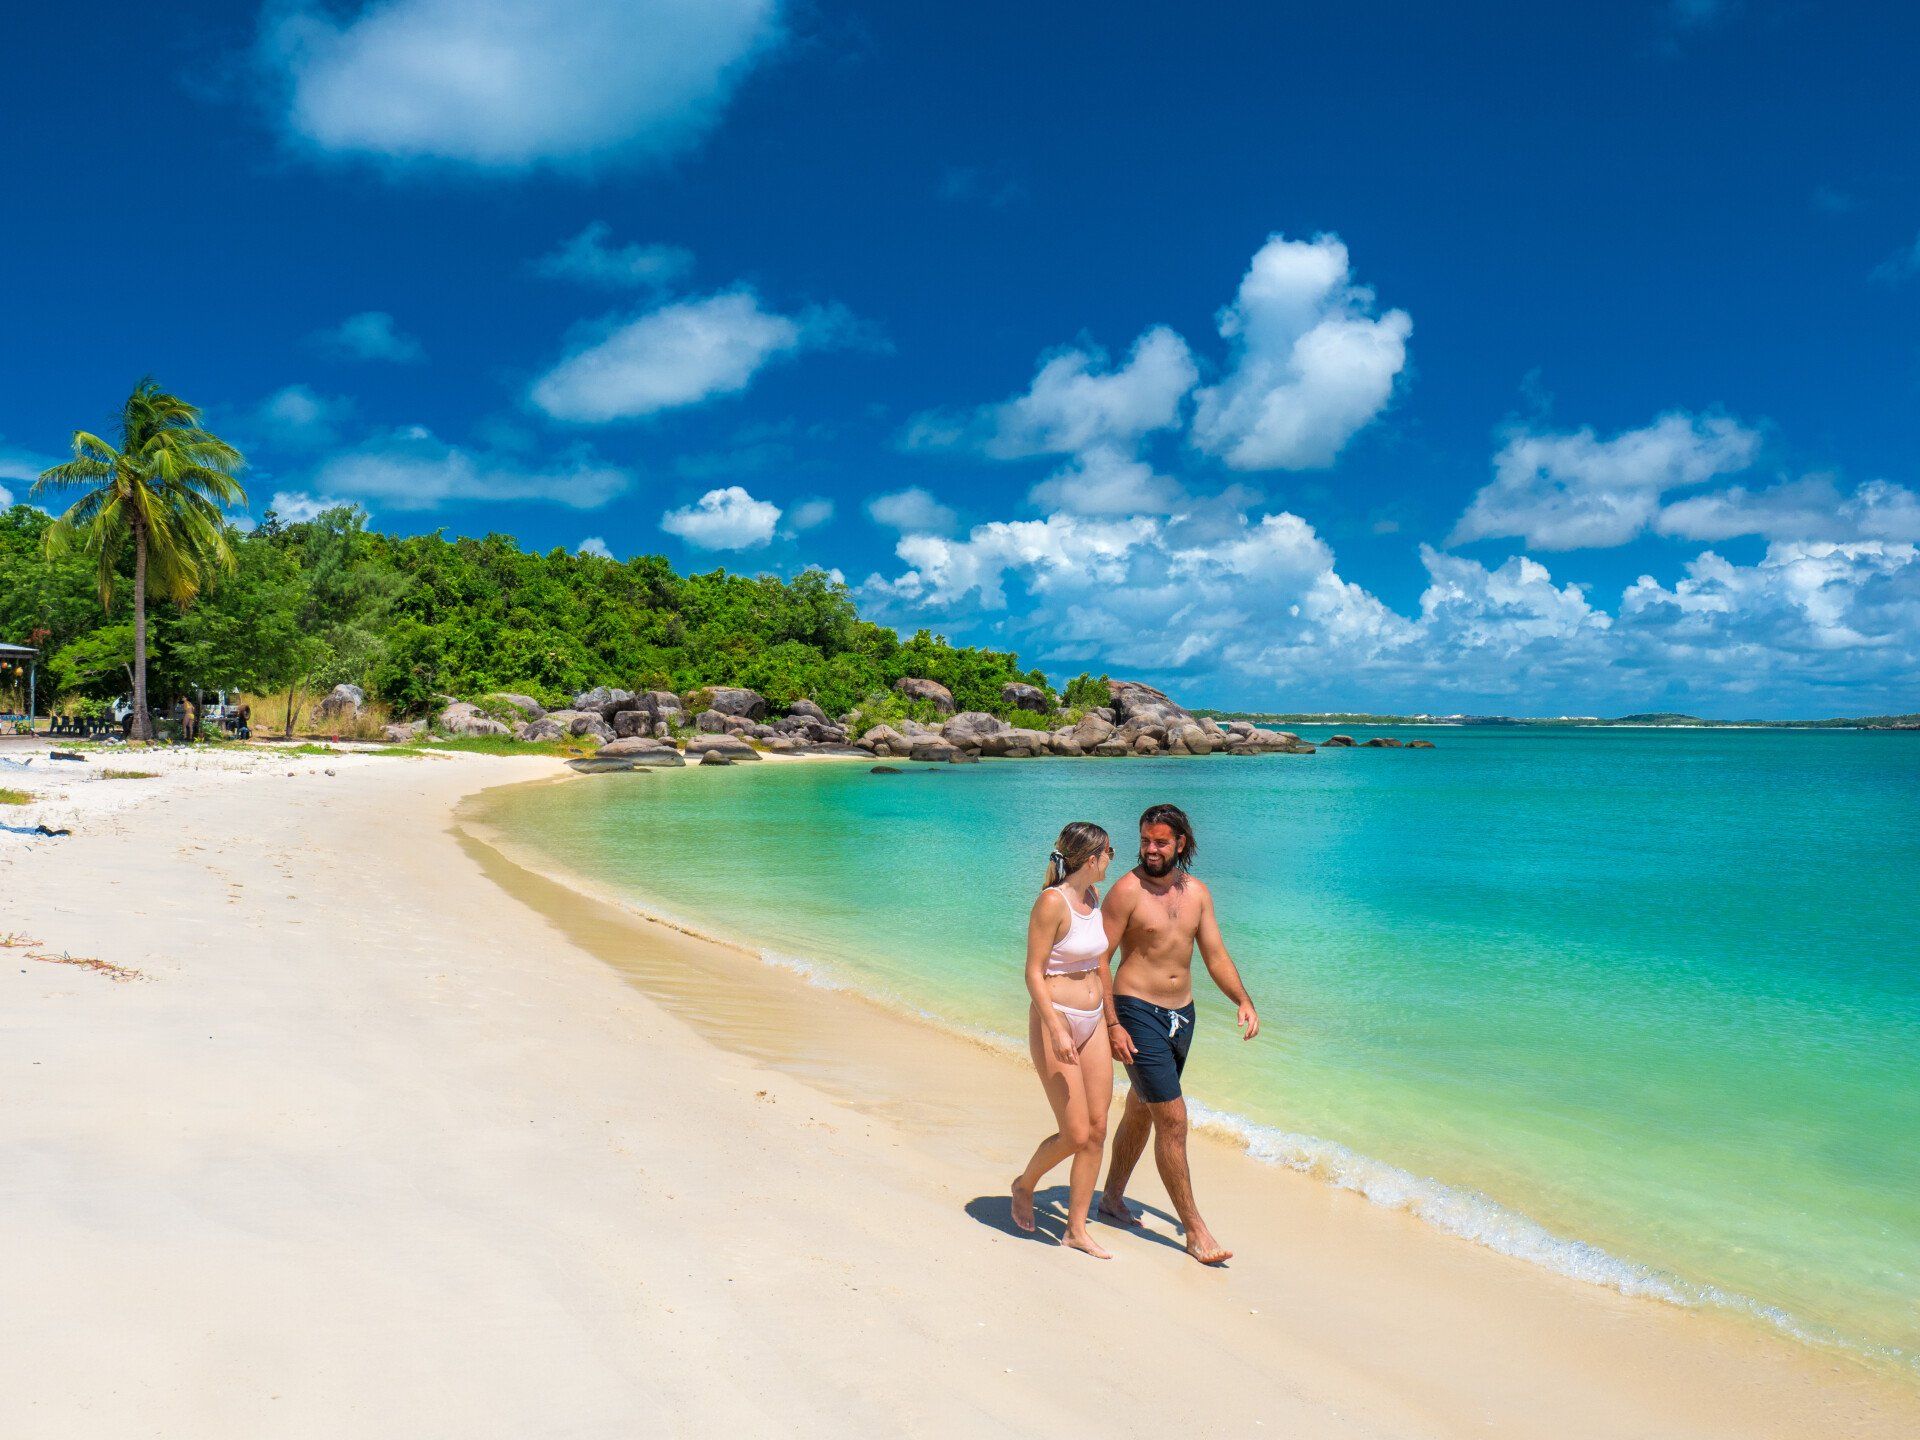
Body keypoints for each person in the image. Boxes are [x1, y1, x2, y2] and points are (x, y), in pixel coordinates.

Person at [1097, 803, 1259, 1264]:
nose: (1150, 849)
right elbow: (1099, 960)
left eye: (1160, 842)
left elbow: (1216, 956)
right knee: (1173, 1119)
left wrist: (1242, 1000)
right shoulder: (1126, 892)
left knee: (1142, 1111)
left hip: (1182, 1017)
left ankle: (1111, 1197)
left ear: (1180, 844)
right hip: (1135, 1011)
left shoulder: (1198, 894)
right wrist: (1111, 1024)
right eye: (1145, 840)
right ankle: (1195, 1230)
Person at [1010, 821, 1119, 1258]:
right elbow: (1033, 972)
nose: (1113, 857)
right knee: (1074, 1132)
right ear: (1092, 858)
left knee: (1096, 1130)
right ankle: (1024, 1184)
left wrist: (1111, 1021)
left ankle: (1075, 1228)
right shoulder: (1051, 904)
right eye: (1110, 851)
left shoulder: (1093, 897)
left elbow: (1098, 964)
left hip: (1091, 1020)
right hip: (1056, 1019)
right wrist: (1055, 1026)